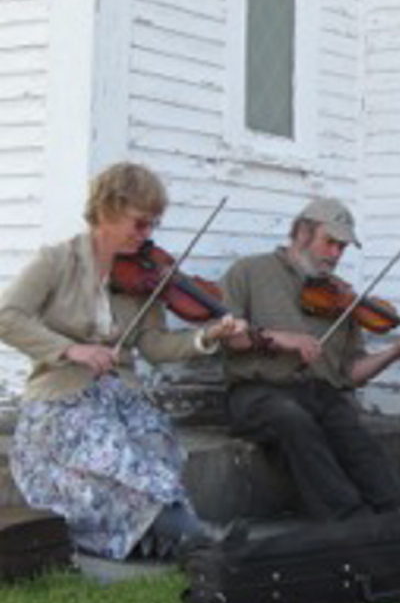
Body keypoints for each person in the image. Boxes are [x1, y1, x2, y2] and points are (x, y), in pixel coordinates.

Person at [0, 162, 246, 560]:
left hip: (119, 394)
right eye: (139, 224)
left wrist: (206, 337)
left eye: (153, 225)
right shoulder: (57, 262)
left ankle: (162, 536)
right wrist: (70, 349)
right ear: (107, 211)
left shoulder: (141, 276)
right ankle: (195, 535)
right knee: (109, 449)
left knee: (157, 441)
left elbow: (153, 345)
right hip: (60, 394)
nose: (147, 235)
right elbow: (6, 317)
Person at [220, 197, 400, 521]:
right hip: (256, 392)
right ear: (302, 233)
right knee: (293, 420)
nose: (335, 255)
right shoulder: (248, 271)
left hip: (316, 391)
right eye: (330, 243)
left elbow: (352, 373)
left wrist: (398, 349)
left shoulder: (342, 298)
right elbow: (226, 336)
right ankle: (349, 518)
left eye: (342, 248)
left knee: (346, 424)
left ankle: (398, 510)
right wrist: (283, 339)